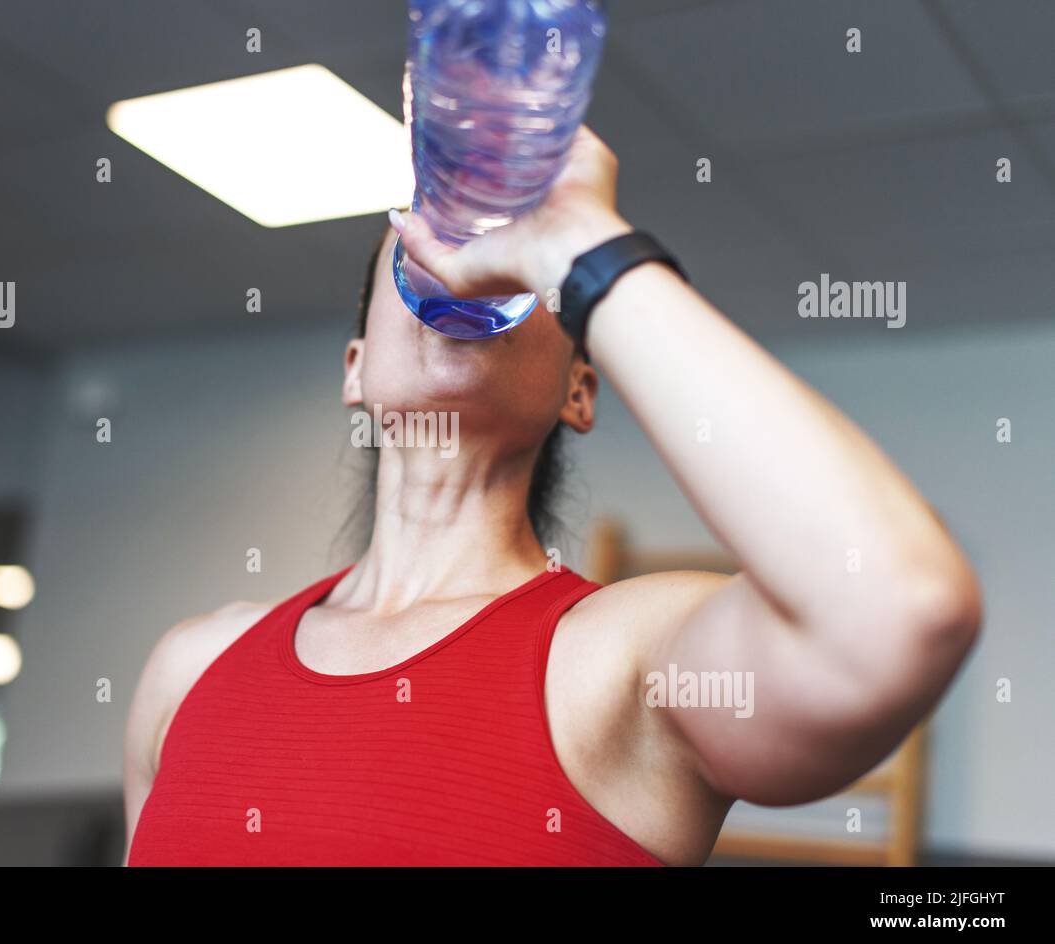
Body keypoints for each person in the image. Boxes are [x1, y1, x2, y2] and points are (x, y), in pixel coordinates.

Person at [123, 128, 981, 866]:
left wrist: (581, 244)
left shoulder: (621, 664)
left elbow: (901, 606)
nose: (460, 262)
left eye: (502, 255)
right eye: (422, 244)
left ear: (581, 389)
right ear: (355, 371)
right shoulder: (190, 667)